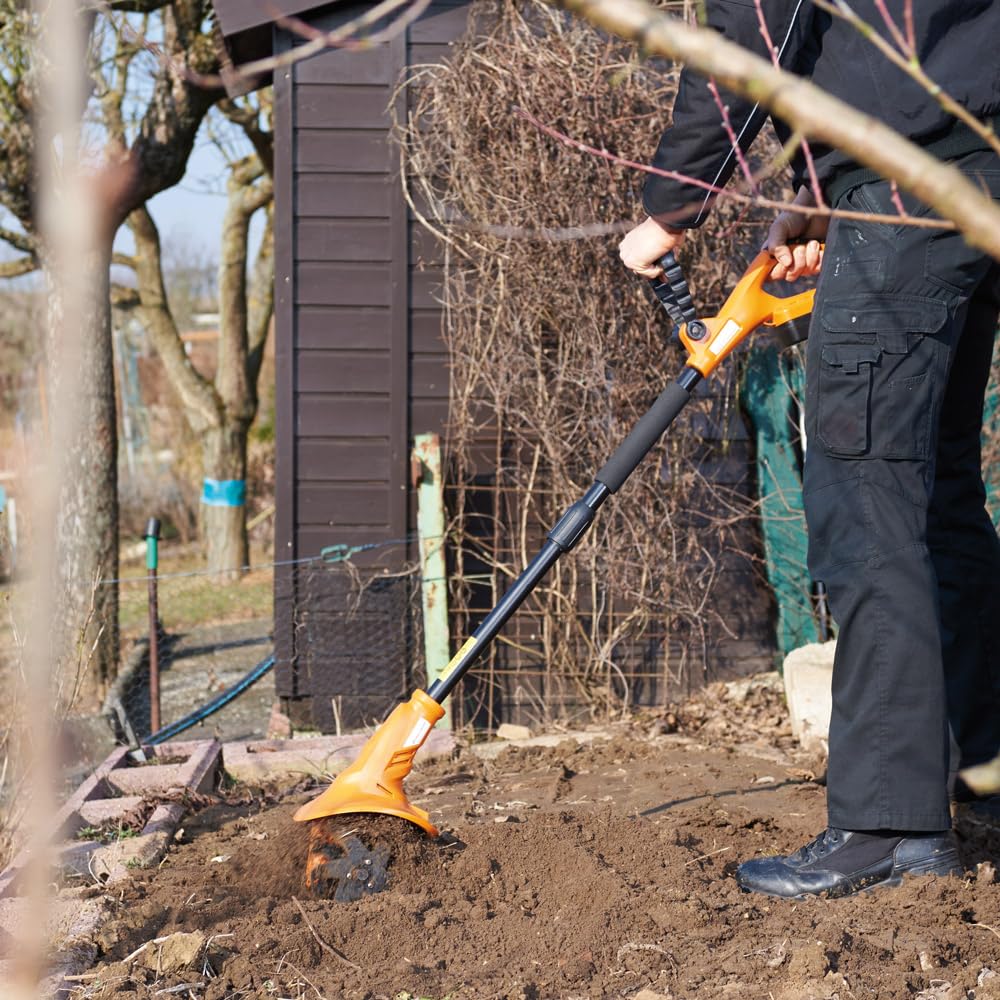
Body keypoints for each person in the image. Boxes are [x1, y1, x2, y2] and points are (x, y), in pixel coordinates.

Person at [619, 0, 1000, 899]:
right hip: (968, 181)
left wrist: (671, 206)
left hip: (906, 192)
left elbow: (754, 24)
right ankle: (976, 768)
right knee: (934, 493)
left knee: (866, 496)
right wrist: (825, 197)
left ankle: (887, 825)